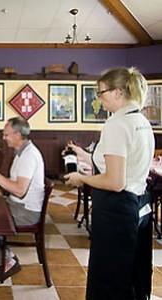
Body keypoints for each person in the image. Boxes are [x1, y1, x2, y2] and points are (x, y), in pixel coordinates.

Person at [64, 67, 154, 300]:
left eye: (101, 93)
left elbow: (115, 181)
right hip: (138, 205)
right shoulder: (141, 121)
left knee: (109, 277)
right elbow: (119, 163)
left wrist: (81, 178)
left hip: (117, 209)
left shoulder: (117, 124)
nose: (99, 99)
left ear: (117, 92)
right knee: (132, 273)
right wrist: (82, 154)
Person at [0, 117, 45, 281]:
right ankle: (3, 255)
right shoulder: (21, 152)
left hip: (26, 212)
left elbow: (19, 190)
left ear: (17, 135)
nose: (4, 138)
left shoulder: (29, 155)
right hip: (16, 204)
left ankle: (6, 262)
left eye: (6, 134)